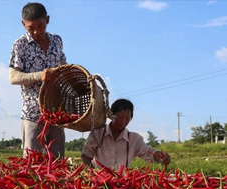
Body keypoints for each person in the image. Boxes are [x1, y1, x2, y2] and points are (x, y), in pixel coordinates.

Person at [9, 2, 67, 158]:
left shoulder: (57, 41)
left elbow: (64, 67)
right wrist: (38, 75)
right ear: (23, 24)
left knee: (57, 162)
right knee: (32, 163)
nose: (36, 31)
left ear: (47, 20)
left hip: (56, 112)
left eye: (40, 26)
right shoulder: (20, 45)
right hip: (33, 113)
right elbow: (13, 77)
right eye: (31, 28)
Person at [81, 99, 171, 169]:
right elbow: (86, 155)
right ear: (111, 115)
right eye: (120, 117)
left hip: (122, 183)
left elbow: (148, 153)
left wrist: (161, 157)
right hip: (98, 181)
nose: (123, 121)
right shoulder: (98, 134)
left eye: (127, 118)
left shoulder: (134, 139)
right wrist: (93, 174)